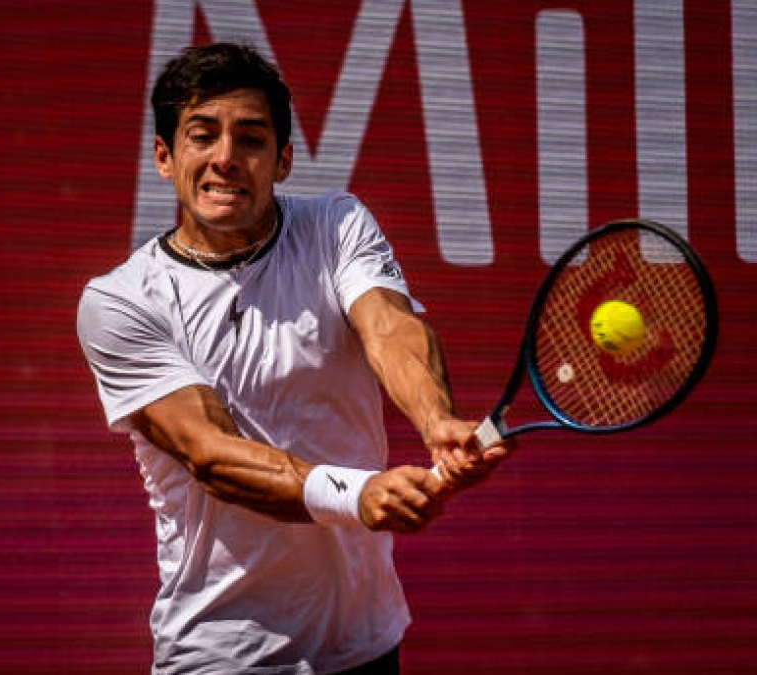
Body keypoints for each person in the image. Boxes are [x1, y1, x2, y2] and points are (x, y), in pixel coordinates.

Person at [76, 42, 511, 674]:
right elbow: (210, 453)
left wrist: (436, 420)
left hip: (364, 643)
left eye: (250, 139)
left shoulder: (334, 225)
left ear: (281, 161)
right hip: (222, 654)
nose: (226, 158)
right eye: (203, 137)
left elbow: (388, 327)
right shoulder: (119, 301)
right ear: (165, 159)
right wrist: (357, 494)